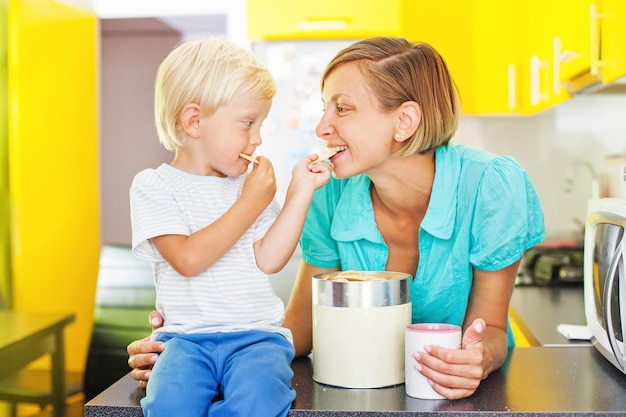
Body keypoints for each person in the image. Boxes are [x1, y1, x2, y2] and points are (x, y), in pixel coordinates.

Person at [127, 36, 545, 401]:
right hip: (361, 387)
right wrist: (195, 342)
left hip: (456, 396)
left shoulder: (491, 184)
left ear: (404, 121)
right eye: (325, 108)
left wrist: (478, 358)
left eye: (342, 109)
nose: (322, 127)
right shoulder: (330, 194)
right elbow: (301, 330)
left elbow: (489, 326)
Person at [129, 37, 331, 417]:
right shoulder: (154, 186)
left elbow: (269, 259)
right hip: (184, 342)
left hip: (256, 340)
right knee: (168, 406)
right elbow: (187, 259)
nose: (257, 138)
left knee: (261, 403)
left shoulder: (246, 186)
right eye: (247, 123)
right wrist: (250, 202)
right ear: (194, 121)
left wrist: (300, 190)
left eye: (261, 124)